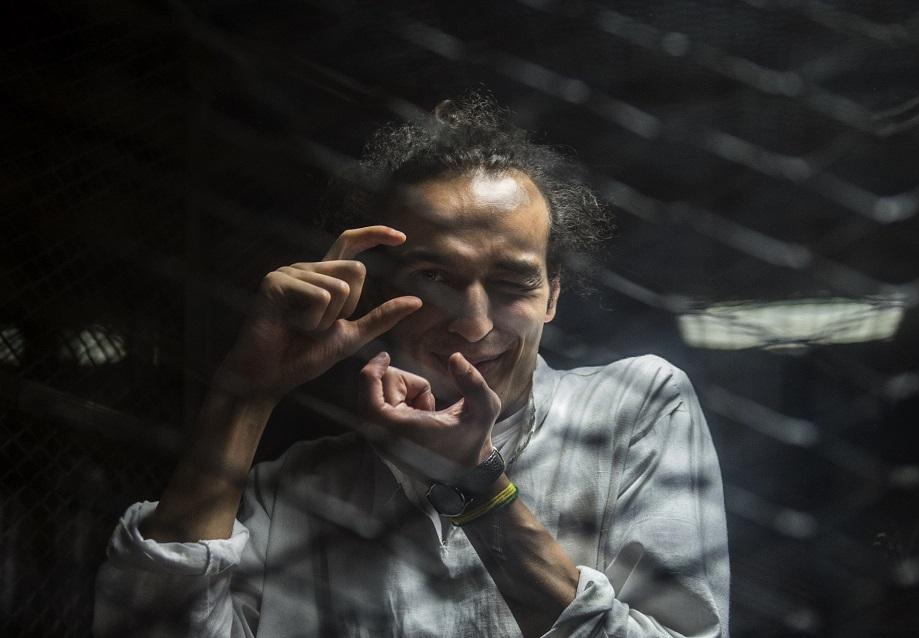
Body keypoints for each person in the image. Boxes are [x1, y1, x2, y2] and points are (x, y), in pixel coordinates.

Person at [94, 93, 730, 637]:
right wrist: (243, 395)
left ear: (553, 295)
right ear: (372, 287)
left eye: (513, 283)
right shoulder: (292, 494)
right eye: (434, 277)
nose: (475, 324)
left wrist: (477, 486)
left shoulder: (636, 404)